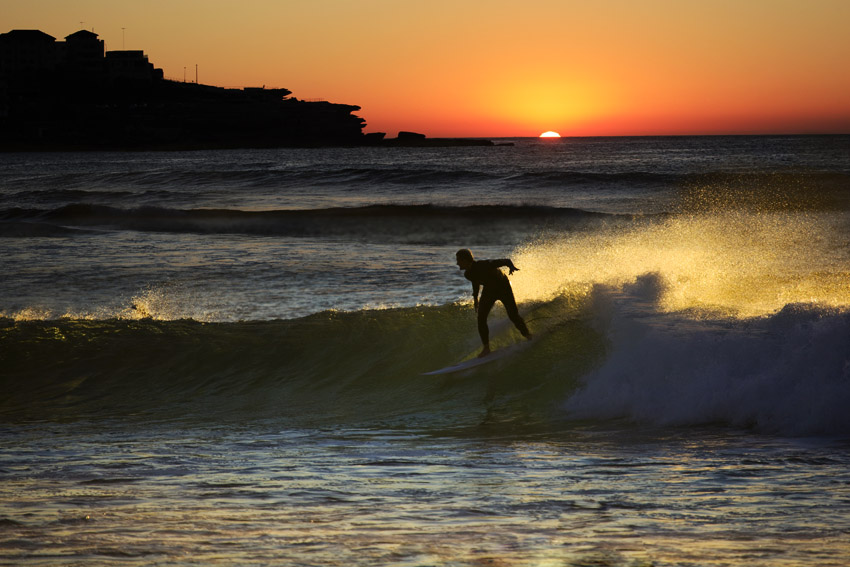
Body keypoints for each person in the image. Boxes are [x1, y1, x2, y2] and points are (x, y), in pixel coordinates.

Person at [455, 248, 532, 357]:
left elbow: (506, 261)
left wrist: (511, 266)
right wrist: (476, 298)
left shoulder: (483, 265)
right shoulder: (468, 274)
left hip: (503, 287)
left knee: (513, 315)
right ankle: (486, 348)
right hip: (489, 291)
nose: (457, 263)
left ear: (465, 260)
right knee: (481, 318)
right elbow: (475, 282)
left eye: (458, 260)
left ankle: (528, 335)